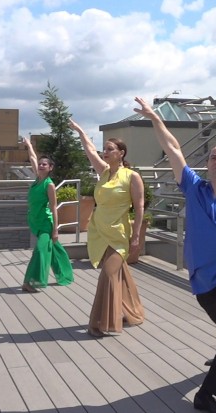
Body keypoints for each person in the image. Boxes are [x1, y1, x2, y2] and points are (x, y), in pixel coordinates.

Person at [134, 96, 216, 413]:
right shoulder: (194, 188)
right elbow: (173, 148)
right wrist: (154, 118)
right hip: (202, 282)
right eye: (213, 157)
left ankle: (206, 395)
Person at [69, 119, 145, 337]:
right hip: (99, 232)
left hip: (118, 234)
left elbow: (139, 207)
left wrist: (136, 236)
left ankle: (102, 322)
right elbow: (89, 150)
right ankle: (133, 311)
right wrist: (81, 130)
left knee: (109, 275)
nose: (105, 152)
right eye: (105, 149)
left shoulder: (132, 176)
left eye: (110, 149)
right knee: (118, 274)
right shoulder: (103, 172)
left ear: (121, 153)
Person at [21, 137, 73, 291]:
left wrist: (55, 229)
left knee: (39, 251)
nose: (41, 165)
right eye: (40, 164)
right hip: (35, 220)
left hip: (46, 223)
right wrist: (29, 145)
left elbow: (54, 206)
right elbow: (32, 157)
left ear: (50, 168)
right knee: (54, 249)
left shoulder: (49, 184)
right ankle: (64, 273)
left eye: (44, 164)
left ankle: (30, 282)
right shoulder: (37, 179)